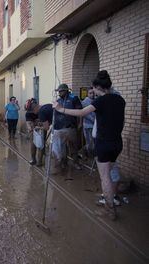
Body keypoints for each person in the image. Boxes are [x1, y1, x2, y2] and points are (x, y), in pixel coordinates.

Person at [53, 70, 125, 220]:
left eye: (94, 89)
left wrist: (61, 109)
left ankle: (109, 210)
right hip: (117, 143)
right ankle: (110, 198)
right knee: (110, 174)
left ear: (99, 87)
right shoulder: (120, 100)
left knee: (105, 177)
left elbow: (82, 113)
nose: (93, 92)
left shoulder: (100, 101)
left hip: (104, 143)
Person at [52, 84, 83, 171]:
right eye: (59, 91)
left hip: (71, 126)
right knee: (62, 147)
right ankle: (64, 163)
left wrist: (80, 123)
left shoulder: (74, 98)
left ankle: (76, 163)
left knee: (73, 146)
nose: (59, 93)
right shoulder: (58, 101)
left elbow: (80, 111)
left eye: (61, 91)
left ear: (66, 91)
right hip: (60, 127)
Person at [24, 98, 41, 166]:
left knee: (41, 145)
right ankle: (33, 159)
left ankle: (40, 161)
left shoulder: (40, 110)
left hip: (41, 128)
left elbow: (43, 121)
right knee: (33, 144)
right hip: (33, 129)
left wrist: (39, 125)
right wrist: (31, 128)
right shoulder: (28, 113)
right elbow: (29, 124)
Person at [81, 88, 96, 158]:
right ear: (87, 94)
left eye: (93, 93)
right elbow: (85, 114)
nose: (92, 95)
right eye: (90, 93)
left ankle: (90, 156)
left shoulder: (95, 100)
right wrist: (94, 121)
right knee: (89, 142)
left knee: (93, 142)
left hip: (95, 126)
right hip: (88, 125)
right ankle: (90, 157)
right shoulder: (84, 102)